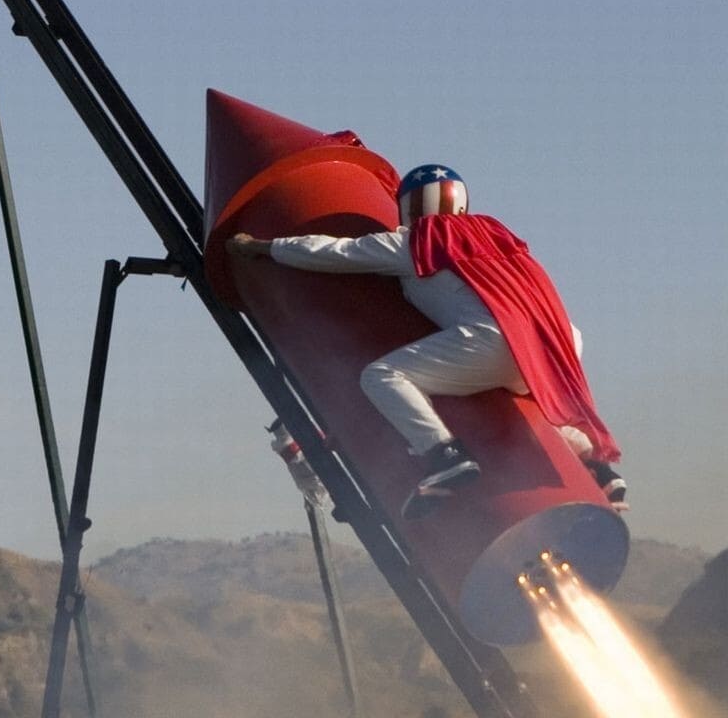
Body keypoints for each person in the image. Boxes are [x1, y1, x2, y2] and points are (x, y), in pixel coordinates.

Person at [227, 164, 624, 519]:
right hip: (558, 341)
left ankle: (443, 455)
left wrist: (262, 247)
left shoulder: (419, 242)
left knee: (383, 375)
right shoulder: (504, 242)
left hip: (495, 340)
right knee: (529, 405)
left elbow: (338, 252)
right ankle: (598, 467)